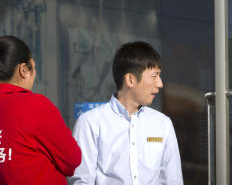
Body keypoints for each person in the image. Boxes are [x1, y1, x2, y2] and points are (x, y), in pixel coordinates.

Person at [0, 35, 81, 184]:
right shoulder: (36, 106)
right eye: (34, 67)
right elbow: (72, 159)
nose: (35, 73)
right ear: (24, 69)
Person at [71, 41, 183, 185]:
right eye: (154, 76)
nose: (160, 83)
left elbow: (173, 180)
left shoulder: (163, 124)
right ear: (130, 79)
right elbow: (82, 181)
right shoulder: (90, 123)